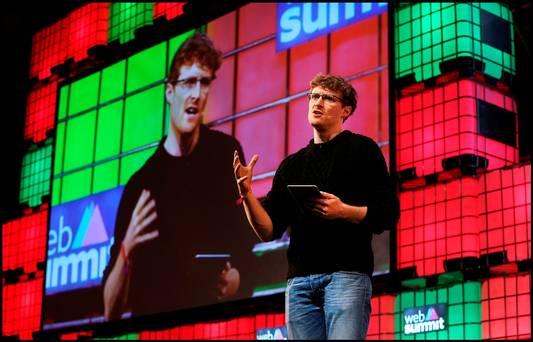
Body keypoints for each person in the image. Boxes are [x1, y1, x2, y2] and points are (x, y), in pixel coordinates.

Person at [103, 32, 258, 320]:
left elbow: (245, 246)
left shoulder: (227, 154)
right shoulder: (141, 185)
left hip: (217, 326)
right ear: (169, 92)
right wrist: (127, 249)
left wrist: (238, 278)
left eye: (204, 82)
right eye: (188, 82)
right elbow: (110, 312)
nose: (196, 94)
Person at [233, 73, 400, 339]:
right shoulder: (292, 165)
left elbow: (388, 214)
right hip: (300, 284)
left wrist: (343, 210)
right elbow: (268, 230)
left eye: (327, 98)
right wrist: (247, 193)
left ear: (346, 110)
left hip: (346, 276)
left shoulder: (363, 150)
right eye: (314, 96)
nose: (317, 103)